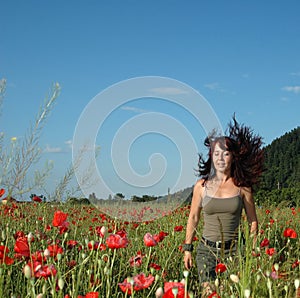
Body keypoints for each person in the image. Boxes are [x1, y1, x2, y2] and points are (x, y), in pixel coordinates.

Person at [183, 116, 264, 296]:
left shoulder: (243, 187)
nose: (220, 158)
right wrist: (187, 249)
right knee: (210, 293)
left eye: (225, 153)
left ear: (233, 157)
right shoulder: (201, 186)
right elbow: (193, 218)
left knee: (229, 293)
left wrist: (251, 249)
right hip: (206, 251)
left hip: (235, 252)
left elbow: (253, 221)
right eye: (216, 153)